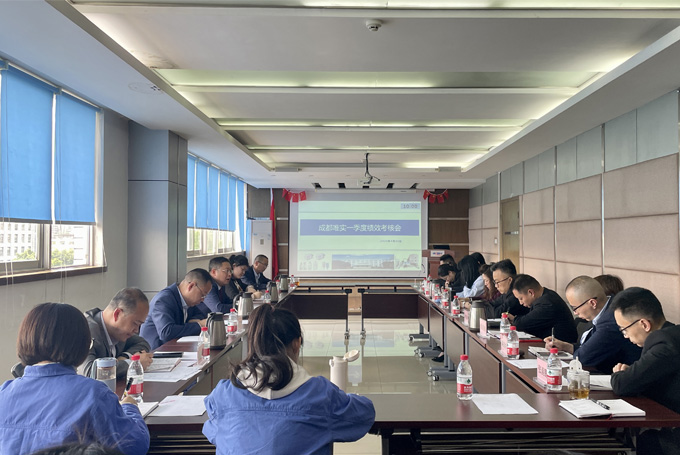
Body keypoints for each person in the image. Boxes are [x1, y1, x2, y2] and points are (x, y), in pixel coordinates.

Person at [203, 305, 375, 454]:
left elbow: (213, 431)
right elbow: (363, 416)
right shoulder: (319, 394)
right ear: (296, 343)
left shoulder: (225, 392)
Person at [0, 303, 149, 455]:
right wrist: (130, 407)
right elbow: (135, 447)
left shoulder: (3, 393)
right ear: (82, 344)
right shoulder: (93, 394)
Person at [610, 287, 680, 455]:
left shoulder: (664, 343)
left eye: (624, 329)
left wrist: (619, 373)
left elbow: (622, 384)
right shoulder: (672, 334)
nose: (625, 336)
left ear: (644, 324)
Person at [545, 276, 640, 373]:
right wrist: (566, 346)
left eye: (575, 308)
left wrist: (576, 351)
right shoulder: (608, 306)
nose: (575, 313)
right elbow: (589, 348)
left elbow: (583, 358)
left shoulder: (610, 321)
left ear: (593, 303)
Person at [79, 288, 153, 379]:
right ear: (117, 314)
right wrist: (132, 364)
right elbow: (90, 373)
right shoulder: (86, 331)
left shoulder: (119, 331)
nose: (137, 330)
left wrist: (125, 356)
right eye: (135, 323)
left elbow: (142, 343)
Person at [140, 268, 212, 350]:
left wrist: (193, 321)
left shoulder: (188, 300)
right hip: (156, 351)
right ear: (191, 286)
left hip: (175, 348)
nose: (203, 299)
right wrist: (199, 325)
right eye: (202, 295)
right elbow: (166, 332)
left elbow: (200, 315)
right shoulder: (164, 299)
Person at [508, 274, 577, 342]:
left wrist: (514, 320)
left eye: (521, 298)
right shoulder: (547, 295)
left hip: (560, 347)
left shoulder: (547, 304)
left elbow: (522, 324)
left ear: (531, 292)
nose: (520, 303)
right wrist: (514, 319)